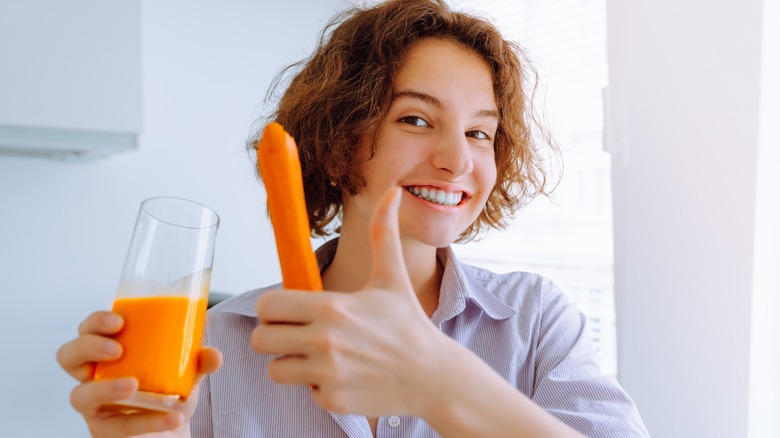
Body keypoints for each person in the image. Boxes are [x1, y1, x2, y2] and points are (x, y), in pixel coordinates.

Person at [56, 0, 649, 436]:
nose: (455, 159)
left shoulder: (536, 323)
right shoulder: (217, 342)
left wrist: (441, 382)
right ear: (339, 141)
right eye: (415, 120)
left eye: (479, 132)